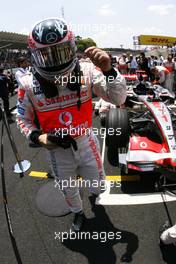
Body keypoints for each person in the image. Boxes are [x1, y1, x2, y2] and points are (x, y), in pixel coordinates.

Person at [16, 18, 126, 231]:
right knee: (68, 189)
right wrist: (38, 137)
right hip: (56, 149)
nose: (55, 60)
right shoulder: (28, 84)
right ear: (34, 55)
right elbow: (22, 119)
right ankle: (77, 212)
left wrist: (109, 70)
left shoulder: (88, 71)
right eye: (46, 54)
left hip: (86, 140)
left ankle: (95, 199)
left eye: (61, 51)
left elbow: (119, 99)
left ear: (72, 48)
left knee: (98, 184)